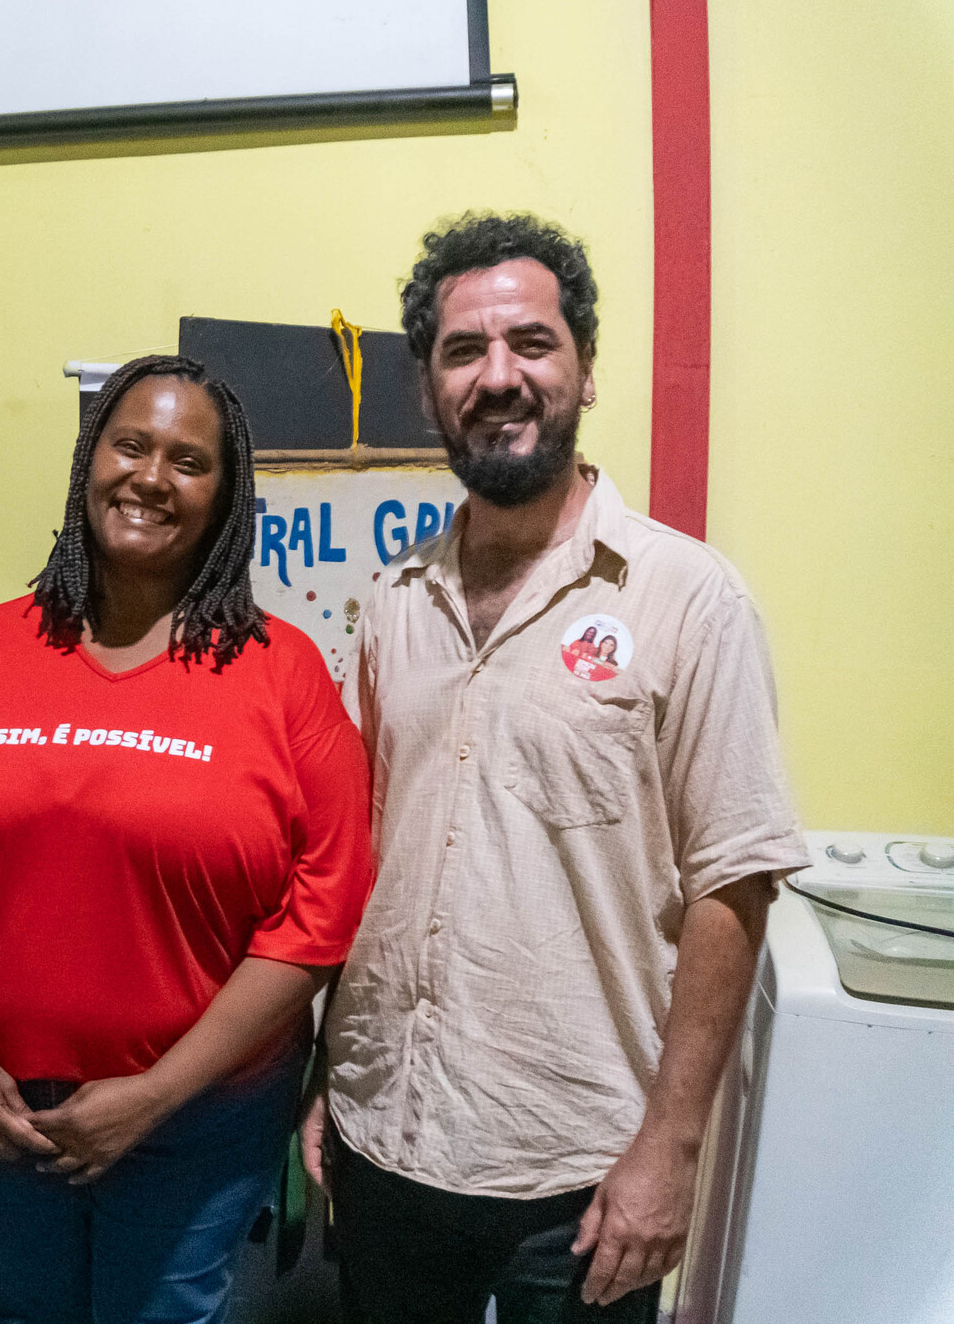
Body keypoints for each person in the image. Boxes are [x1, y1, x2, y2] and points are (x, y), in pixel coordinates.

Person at [303, 214, 807, 1322]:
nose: (499, 377)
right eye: (462, 351)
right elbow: (359, 850)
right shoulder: (395, 601)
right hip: (388, 1132)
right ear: (430, 387)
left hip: (580, 1166)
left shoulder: (688, 599)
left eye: (531, 343)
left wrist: (671, 1152)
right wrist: (326, 1085)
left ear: (582, 365)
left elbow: (734, 880)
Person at [0, 354, 376, 1324]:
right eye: (130, 445)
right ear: (87, 460)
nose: (150, 476)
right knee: (21, 1309)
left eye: (189, 461)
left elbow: (321, 916)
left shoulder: (285, 674)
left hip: (202, 1118)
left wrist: (155, 1094)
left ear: (226, 498)